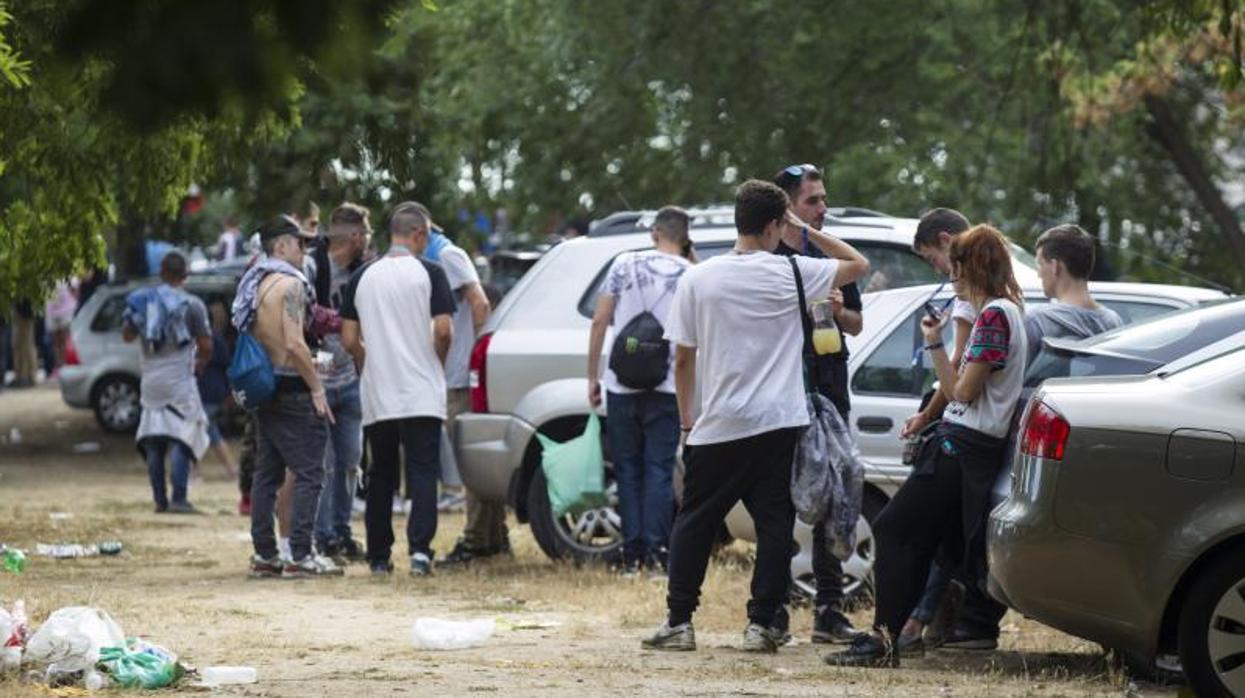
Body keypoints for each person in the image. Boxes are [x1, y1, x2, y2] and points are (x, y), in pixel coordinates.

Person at [641, 180, 869, 653]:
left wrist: (687, 422)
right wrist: (806, 229)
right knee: (773, 526)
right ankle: (762, 624)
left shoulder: (698, 278)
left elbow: (683, 359)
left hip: (719, 422)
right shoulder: (791, 272)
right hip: (778, 423)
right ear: (773, 226)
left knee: (696, 522)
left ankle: (679, 621)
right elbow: (858, 265)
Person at [827, 224, 1027, 667]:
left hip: (962, 446)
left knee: (894, 529)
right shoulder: (1004, 311)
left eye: (955, 265)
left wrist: (934, 342)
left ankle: (884, 639)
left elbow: (963, 392)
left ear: (969, 266)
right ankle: (889, 636)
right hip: (964, 446)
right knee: (921, 541)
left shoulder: (995, 315)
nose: (950, 274)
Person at [770, 163, 865, 644]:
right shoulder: (766, 256)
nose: (823, 208)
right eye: (812, 201)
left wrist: (832, 307)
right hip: (784, 390)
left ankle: (829, 609)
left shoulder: (831, 256)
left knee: (835, 492)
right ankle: (774, 611)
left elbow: (855, 325)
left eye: (824, 199)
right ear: (787, 208)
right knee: (779, 499)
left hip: (830, 386)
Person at [341, 203, 455, 577]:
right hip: (421, 390)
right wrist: (435, 361)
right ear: (419, 234)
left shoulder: (362, 277)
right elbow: (443, 330)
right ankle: (420, 553)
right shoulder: (431, 273)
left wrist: (366, 362)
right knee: (423, 471)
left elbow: (349, 338)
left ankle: (378, 557)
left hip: (380, 389)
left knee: (381, 474)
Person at [586, 205, 694, 577]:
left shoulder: (624, 264)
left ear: (654, 234)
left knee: (628, 470)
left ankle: (630, 555)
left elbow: (600, 319)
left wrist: (592, 378)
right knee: (660, 471)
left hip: (621, 383)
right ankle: (658, 553)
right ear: (684, 237)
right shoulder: (691, 274)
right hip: (666, 388)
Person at [233, 215, 341, 579]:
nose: (305, 250)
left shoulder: (258, 282)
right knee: (312, 471)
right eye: (300, 243)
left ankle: (266, 554)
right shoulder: (292, 286)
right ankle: (300, 554)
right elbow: (295, 342)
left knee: (267, 473)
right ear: (281, 246)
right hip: (294, 388)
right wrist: (317, 387)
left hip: (267, 388)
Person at [122, 252, 212, 513]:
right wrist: (201, 363)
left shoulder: (143, 301)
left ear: (161, 273)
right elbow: (206, 345)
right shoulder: (192, 305)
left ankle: (159, 500)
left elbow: (127, 335)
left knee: (154, 436)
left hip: (150, 379)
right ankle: (179, 498)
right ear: (185, 275)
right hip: (179, 380)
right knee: (183, 435)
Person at [307, 203, 371, 564]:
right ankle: (321, 532)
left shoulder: (364, 270)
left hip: (352, 374)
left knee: (350, 460)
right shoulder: (314, 266)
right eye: (366, 235)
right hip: (321, 369)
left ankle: (341, 531)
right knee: (323, 462)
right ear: (354, 237)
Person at [1026, 224, 1122, 364]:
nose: (1039, 274)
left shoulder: (1036, 321)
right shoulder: (1114, 321)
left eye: (1040, 265)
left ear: (1055, 266)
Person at [196, 302, 238, 479]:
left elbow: (226, 367)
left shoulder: (209, 340)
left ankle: (192, 472)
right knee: (207, 431)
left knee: (200, 431)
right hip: (211, 393)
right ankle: (230, 470)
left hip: (207, 393)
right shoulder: (216, 338)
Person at [44, 280, 77, 378]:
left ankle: (66, 367)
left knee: (65, 341)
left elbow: (75, 290)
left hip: (66, 311)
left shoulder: (68, 274)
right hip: (52, 311)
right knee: (56, 343)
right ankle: (59, 367)